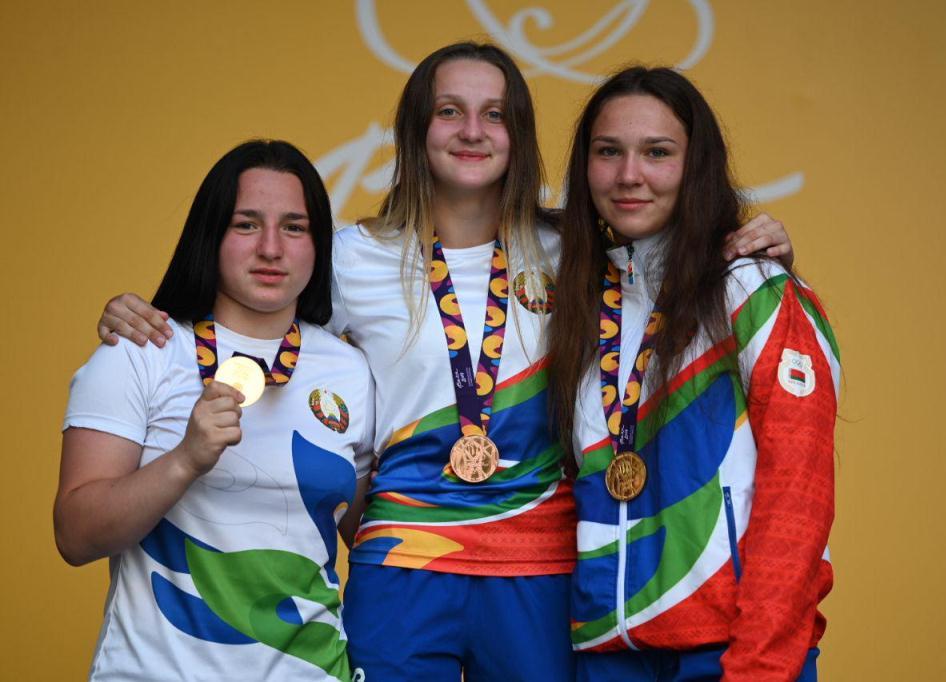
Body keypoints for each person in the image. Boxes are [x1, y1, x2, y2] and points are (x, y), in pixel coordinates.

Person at [91, 44, 795, 681]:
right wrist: (144, 314)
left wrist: (762, 241)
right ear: (415, 130)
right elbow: (251, 312)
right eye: (449, 111)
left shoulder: (578, 252)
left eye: (495, 114)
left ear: (519, 134)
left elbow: (673, 263)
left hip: (540, 567)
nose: (471, 131)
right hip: (401, 562)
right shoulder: (350, 258)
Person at [547, 66, 840, 682]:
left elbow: (800, 494)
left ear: (696, 165)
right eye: (608, 152)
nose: (629, 175)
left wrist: (761, 663)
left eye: (658, 152)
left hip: (733, 651)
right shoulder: (575, 303)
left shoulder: (752, 288)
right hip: (605, 656)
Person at [55, 140, 373, 681]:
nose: (271, 248)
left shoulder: (351, 369)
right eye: (246, 224)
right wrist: (185, 460)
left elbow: (371, 537)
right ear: (210, 235)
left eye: (294, 227)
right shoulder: (142, 351)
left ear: (319, 243)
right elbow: (75, 536)